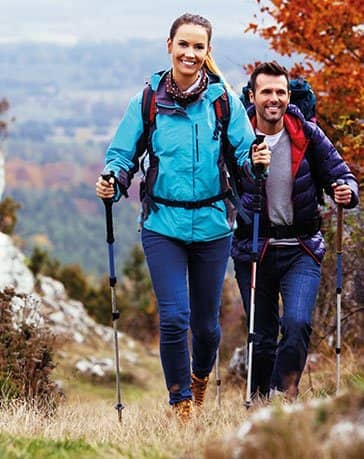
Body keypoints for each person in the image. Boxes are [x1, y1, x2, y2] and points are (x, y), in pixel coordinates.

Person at [96, 13, 266, 422]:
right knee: (174, 317)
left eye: (198, 47)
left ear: (208, 53)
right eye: (183, 45)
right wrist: (113, 181)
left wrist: (255, 161)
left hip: (212, 225)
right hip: (162, 225)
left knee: (206, 327)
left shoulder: (223, 100)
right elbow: (123, 154)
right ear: (169, 46)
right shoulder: (148, 100)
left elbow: (244, 153)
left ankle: (200, 378)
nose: (190, 53)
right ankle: (181, 403)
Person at [232, 61, 359, 402]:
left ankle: (281, 395)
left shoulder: (306, 132)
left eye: (280, 92)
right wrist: (251, 171)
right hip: (253, 248)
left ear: (289, 96)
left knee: (298, 324)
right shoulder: (238, 135)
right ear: (252, 96)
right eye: (266, 92)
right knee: (260, 336)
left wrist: (346, 191)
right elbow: (225, 189)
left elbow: (341, 173)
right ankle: (258, 401)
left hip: (301, 247)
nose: (274, 99)